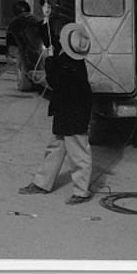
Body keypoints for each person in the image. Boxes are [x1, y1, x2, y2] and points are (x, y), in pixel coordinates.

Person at [18, 13, 94, 204]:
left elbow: (54, 82)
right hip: (64, 111)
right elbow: (51, 38)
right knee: (56, 146)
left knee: (78, 151)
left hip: (74, 113)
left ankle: (81, 191)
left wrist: (50, 61)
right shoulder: (67, 53)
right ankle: (42, 183)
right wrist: (46, 17)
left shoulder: (72, 66)